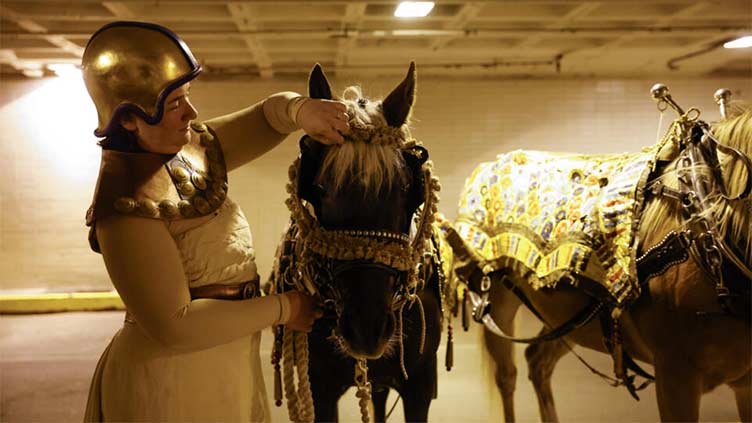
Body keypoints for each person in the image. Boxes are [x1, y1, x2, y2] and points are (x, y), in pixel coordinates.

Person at [81, 21, 350, 422]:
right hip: (169, 381)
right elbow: (177, 326)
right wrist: (285, 307)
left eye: (187, 96)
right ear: (128, 119)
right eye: (172, 104)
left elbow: (268, 117)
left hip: (224, 364)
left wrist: (300, 109)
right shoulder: (124, 209)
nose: (190, 113)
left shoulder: (186, 152)